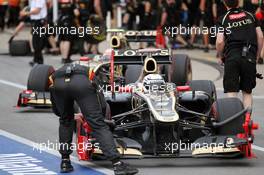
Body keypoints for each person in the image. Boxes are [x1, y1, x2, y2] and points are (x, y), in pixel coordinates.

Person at [49, 63, 139, 175]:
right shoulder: (90, 73)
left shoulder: (54, 76)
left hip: (59, 84)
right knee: (98, 125)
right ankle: (117, 164)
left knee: (65, 122)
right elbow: (101, 103)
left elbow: (56, 109)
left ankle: (65, 162)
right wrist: (99, 118)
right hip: (81, 84)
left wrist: (67, 115)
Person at [216, 0, 263, 109]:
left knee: (231, 93)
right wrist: (257, 55)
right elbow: (260, 36)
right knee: (247, 92)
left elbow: (219, 41)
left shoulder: (223, 18)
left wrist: (220, 55)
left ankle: (233, 121)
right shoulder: (251, 15)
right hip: (249, 56)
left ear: (224, 3)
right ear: (238, 2)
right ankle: (247, 122)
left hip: (232, 57)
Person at [19, 0, 47, 66]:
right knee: (35, 42)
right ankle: (36, 59)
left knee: (37, 42)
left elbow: (37, 11)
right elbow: (32, 8)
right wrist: (24, 11)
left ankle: (39, 61)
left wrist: (25, 13)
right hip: (36, 22)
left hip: (39, 22)